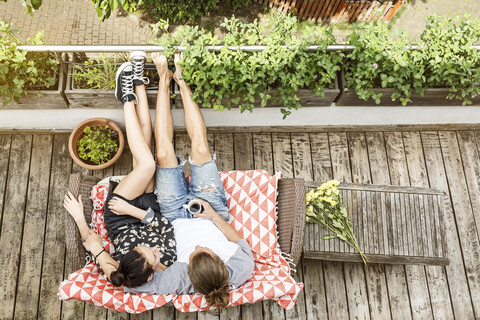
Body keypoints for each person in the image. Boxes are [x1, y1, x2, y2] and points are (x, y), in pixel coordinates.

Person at [81, 51, 255, 310]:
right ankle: (181, 80)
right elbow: (238, 240)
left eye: (193, 253)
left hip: (173, 212)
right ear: (221, 262)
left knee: (163, 152)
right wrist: (213, 217)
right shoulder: (241, 268)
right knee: (200, 149)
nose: (196, 246)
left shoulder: (181, 280)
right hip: (211, 208)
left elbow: (126, 281)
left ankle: (163, 80)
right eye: (204, 250)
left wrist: (98, 252)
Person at [63, 51, 177, 288]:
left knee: (147, 164)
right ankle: (138, 82)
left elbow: (92, 243)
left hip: (120, 215)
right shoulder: (169, 260)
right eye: (153, 255)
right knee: (145, 145)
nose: (154, 249)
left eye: (144, 250)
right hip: (148, 209)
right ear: (151, 275)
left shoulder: (116, 271)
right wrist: (140, 215)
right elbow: (164, 226)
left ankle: (125, 97)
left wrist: (77, 215)